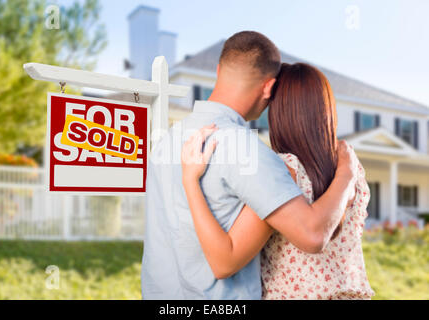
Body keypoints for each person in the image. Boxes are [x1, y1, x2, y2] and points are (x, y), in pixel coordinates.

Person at [141, 31, 358, 300]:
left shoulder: (166, 142)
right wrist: (347, 173)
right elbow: (313, 235)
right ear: (269, 88)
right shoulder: (247, 151)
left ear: (219, 70)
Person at [181, 63, 374, 300]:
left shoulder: (284, 170)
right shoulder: (351, 167)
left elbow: (224, 261)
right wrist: (346, 174)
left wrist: (190, 180)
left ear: (279, 112)